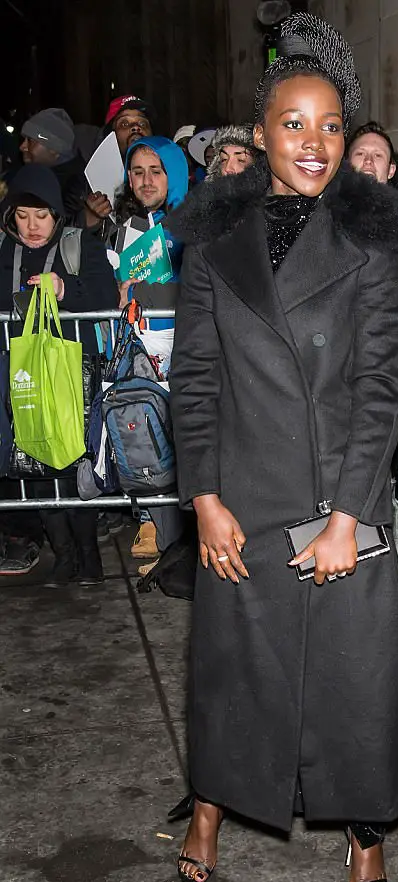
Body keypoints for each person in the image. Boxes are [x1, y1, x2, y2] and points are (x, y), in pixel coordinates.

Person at [166, 12, 398, 882]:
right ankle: (208, 809)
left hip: (333, 500)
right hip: (239, 498)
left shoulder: (373, 235)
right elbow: (192, 379)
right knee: (233, 673)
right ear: (261, 133)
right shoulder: (208, 239)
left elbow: (385, 387)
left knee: (356, 679)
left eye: (328, 126)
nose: (312, 143)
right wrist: (202, 496)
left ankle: (363, 828)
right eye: (292, 124)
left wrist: (351, 515)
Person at [0, 164, 119, 585]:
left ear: (57, 214)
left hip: (70, 375)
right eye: (22, 215)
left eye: (42, 215)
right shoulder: (3, 251)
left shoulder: (77, 245)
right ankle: (63, 555)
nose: (32, 227)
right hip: (18, 377)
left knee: (70, 460)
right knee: (30, 463)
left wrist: (64, 288)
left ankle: (90, 557)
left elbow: (108, 294)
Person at [112, 136, 189, 564]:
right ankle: (156, 524)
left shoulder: (193, 225)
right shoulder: (118, 229)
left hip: (189, 345)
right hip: (140, 345)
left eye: (156, 171)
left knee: (188, 435)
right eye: (137, 171)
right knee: (148, 433)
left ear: (173, 174)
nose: (145, 181)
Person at [347, 120, 398, 301]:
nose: (368, 161)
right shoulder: (324, 210)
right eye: (360, 153)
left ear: (391, 170)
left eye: (378, 155)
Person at [84, 95, 155, 229]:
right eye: (124, 124)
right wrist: (88, 219)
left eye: (143, 123)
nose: (135, 127)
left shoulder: (169, 176)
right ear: (109, 135)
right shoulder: (88, 184)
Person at [19, 108, 86, 225]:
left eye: (30, 140)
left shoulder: (74, 188)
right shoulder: (31, 176)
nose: (22, 147)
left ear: (54, 149)